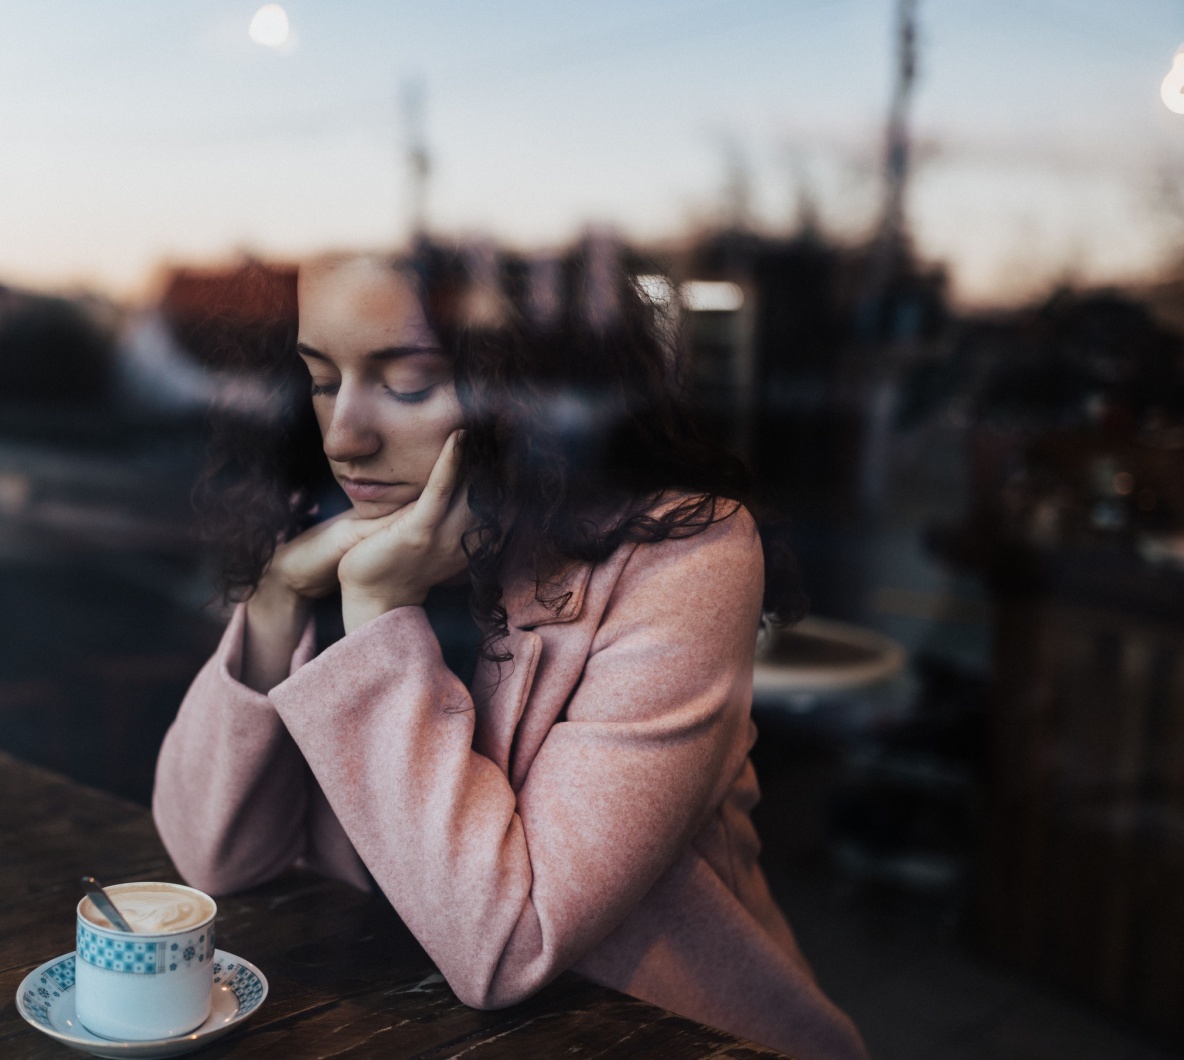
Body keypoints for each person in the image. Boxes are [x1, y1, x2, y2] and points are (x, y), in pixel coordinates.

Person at [153, 243, 868, 1060]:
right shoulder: (327, 530)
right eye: (320, 379)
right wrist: (277, 598)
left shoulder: (687, 555)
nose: (344, 437)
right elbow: (214, 856)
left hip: (668, 1036)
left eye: (408, 382)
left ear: (531, 385)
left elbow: (508, 945)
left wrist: (382, 612)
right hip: (394, 1021)